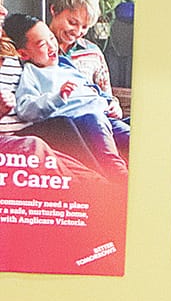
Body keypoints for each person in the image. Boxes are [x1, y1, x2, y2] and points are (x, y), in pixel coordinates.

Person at [0, 12, 128, 177]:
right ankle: (120, 177)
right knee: (104, 146)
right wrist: (58, 97)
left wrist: (111, 101)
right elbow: (27, 108)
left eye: (52, 39)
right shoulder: (31, 72)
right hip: (85, 119)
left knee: (136, 133)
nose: (52, 46)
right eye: (41, 44)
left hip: (105, 115)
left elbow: (93, 88)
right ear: (24, 54)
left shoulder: (65, 63)